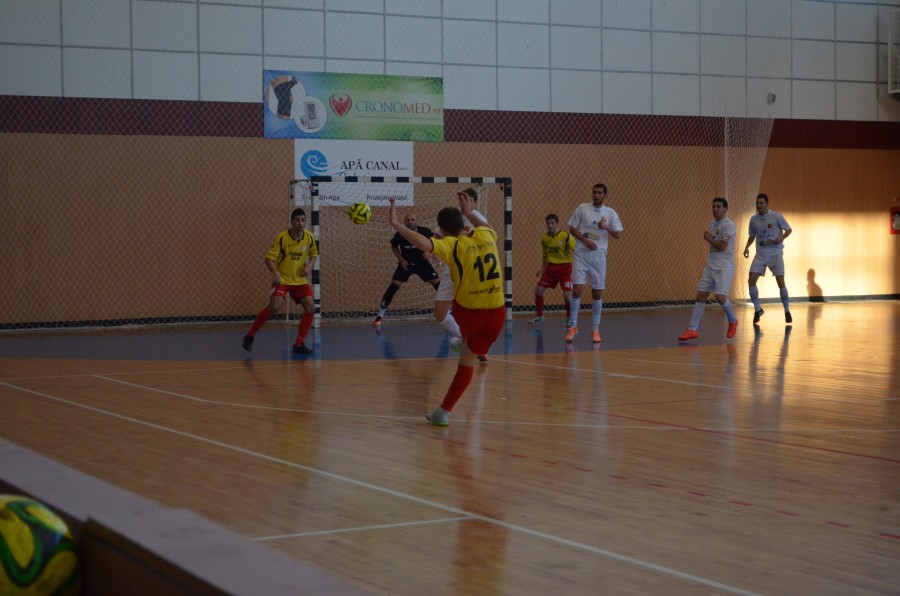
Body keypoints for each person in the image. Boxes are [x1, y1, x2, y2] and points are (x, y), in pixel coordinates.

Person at [388, 190, 504, 427]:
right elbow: (484, 224)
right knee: (470, 353)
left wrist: (397, 224)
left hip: (470, 317)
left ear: (443, 230)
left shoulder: (452, 245)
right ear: (464, 223)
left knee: (464, 356)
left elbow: (421, 242)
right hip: (498, 315)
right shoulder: (487, 235)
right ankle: (466, 346)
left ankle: (444, 412)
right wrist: (470, 212)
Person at [243, 207, 318, 354]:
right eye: (297, 220)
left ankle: (299, 344)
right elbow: (268, 259)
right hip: (283, 280)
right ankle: (250, 336)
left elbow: (314, 254)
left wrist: (309, 266)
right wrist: (276, 274)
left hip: (300, 281)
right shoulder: (282, 238)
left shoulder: (309, 237)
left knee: (310, 308)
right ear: (291, 221)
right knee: (275, 306)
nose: (300, 223)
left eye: (303, 220)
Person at [433, 189, 489, 361]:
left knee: (470, 309)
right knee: (439, 313)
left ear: (475, 203)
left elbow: (487, 239)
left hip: (470, 268)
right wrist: (435, 252)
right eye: (464, 199)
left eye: (469, 200)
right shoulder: (455, 218)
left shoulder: (479, 220)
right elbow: (437, 234)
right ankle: (466, 338)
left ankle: (477, 345)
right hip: (452, 267)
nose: (466, 202)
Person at [565, 183, 623, 343]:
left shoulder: (610, 212)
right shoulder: (582, 208)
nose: (596, 195)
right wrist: (585, 240)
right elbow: (572, 228)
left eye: (599, 193)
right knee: (577, 290)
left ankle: (595, 329)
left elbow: (617, 235)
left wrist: (606, 227)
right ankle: (573, 326)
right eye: (594, 192)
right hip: (582, 255)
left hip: (598, 257)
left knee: (597, 293)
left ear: (605, 195)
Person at [678, 198, 739, 341]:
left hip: (724, 266)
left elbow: (722, 246)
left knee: (720, 297)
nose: (715, 209)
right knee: (701, 295)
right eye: (713, 207)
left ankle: (732, 320)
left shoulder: (729, 225)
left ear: (725, 209)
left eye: (718, 206)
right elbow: (715, 241)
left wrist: (708, 238)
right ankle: (692, 329)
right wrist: (710, 237)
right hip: (710, 265)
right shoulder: (712, 224)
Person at [373, 210, 440, 327]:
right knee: (393, 287)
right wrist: (401, 260)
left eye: (412, 220)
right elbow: (394, 247)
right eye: (408, 220)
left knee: (439, 286)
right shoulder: (400, 234)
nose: (410, 222)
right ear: (404, 222)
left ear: (416, 221)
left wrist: (430, 253)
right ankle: (380, 315)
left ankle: (449, 312)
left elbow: (435, 243)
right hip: (406, 265)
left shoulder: (424, 231)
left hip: (423, 264)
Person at [743, 193, 793, 324]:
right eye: (757, 203)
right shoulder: (753, 219)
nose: (759, 206)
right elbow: (752, 235)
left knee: (780, 282)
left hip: (775, 254)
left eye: (761, 203)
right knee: (751, 280)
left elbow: (788, 230)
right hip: (760, 255)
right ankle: (758, 309)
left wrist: (781, 238)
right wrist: (747, 247)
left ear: (767, 204)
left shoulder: (776, 216)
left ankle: (787, 310)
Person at [529, 213, 575, 324]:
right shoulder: (545, 238)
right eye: (548, 223)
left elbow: (576, 250)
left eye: (552, 223)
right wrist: (542, 267)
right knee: (538, 292)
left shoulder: (565, 236)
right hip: (550, 268)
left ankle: (570, 318)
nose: (550, 225)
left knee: (568, 297)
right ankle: (540, 315)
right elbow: (545, 254)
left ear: (557, 223)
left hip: (565, 268)